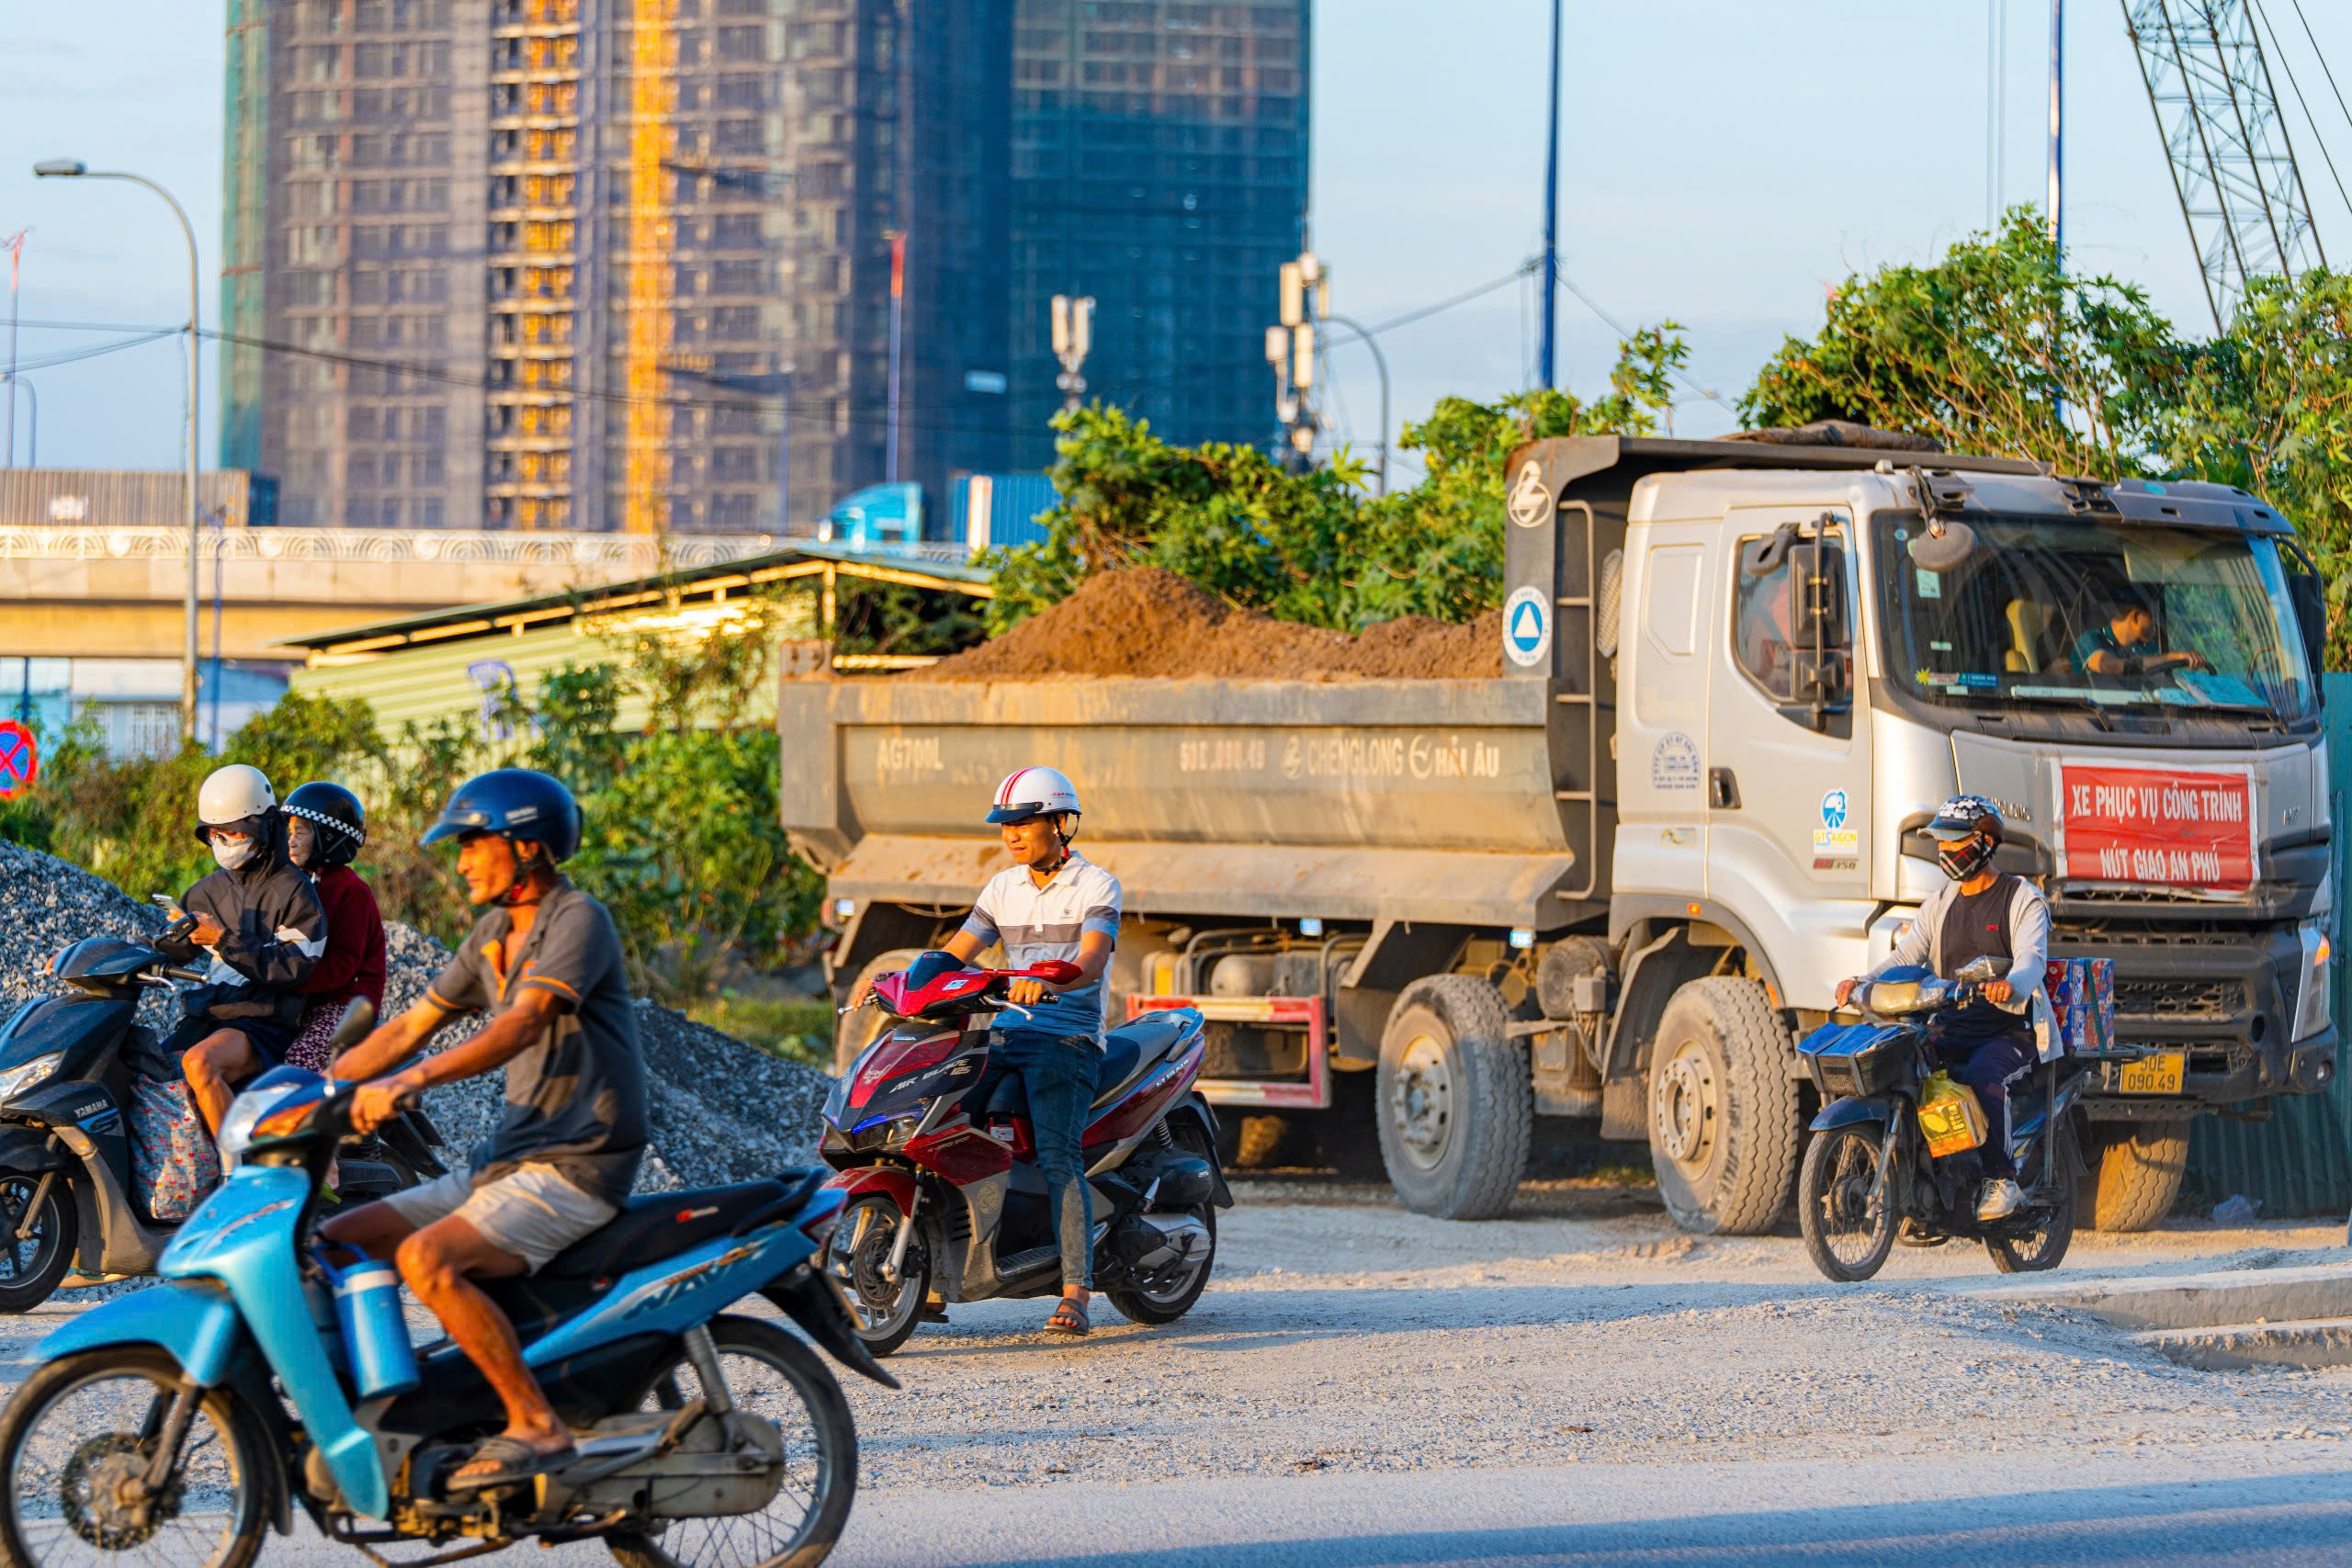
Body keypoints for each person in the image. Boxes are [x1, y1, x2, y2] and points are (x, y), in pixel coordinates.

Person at [323, 769, 648, 1492]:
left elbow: (522, 1021)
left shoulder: (577, 919)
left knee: (427, 1260)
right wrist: (320, 1087)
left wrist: (409, 1082)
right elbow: (410, 1025)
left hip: (578, 1163)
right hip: (509, 1161)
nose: (461, 861)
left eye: (474, 844)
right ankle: (401, 1409)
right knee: (336, 1240)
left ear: (527, 846)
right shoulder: (493, 932)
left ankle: (535, 1422)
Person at [864, 765, 1120, 1336]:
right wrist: (898, 982)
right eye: (1006, 825)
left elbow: (1095, 958)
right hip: (1001, 1033)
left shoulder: (1097, 885)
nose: (1012, 834)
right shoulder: (1002, 887)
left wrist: (1054, 979)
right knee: (939, 1126)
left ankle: (1077, 1289)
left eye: (1024, 822)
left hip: (1065, 1037)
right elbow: (953, 953)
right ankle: (932, 1272)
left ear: (1059, 823)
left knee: (1058, 1156)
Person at [1835, 795, 2052, 1223]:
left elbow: (2033, 960)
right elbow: (1907, 955)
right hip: (1948, 1026)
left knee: (1981, 1076)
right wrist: (1862, 982)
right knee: (1903, 1070)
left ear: (1985, 842)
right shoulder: (1941, 901)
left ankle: (2001, 1179)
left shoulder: (2021, 898)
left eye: (1955, 842)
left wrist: (2009, 986)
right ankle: (1925, 1183)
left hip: (2009, 1032)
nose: (1945, 852)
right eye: (1941, 843)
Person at [157, 764, 328, 1134]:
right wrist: (100, 955)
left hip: (261, 1023)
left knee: (201, 1064)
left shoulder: (296, 891)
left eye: (232, 832)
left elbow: (294, 967)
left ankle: (236, 1177)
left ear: (262, 827)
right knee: (144, 1068)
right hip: (208, 1017)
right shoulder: (207, 890)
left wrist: (223, 940)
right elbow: (170, 946)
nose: (223, 842)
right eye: (215, 834)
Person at [280, 782, 388, 1075]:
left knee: (297, 1064)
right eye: (289, 833)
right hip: (302, 1001)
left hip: (346, 1005)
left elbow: (343, 964)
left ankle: (304, 1122)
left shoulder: (352, 891)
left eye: (299, 832)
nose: (290, 841)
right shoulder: (296, 883)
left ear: (326, 837)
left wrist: (285, 981)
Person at [2071, 595, 2210, 679]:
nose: (2157, 626)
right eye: (2153, 618)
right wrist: (2173, 656)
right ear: (2136, 617)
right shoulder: (2091, 640)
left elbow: (2161, 683)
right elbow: (2111, 666)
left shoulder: (2149, 648)